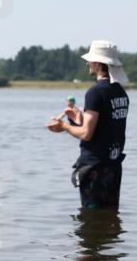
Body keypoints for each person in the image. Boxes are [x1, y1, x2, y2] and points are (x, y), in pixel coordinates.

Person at [47, 40, 129, 209]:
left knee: (91, 223)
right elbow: (107, 125)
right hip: (113, 167)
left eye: (90, 60)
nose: (87, 63)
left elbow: (86, 134)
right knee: (110, 218)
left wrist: (64, 126)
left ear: (98, 64)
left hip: (95, 169)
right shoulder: (120, 92)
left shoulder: (95, 92)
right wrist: (80, 120)